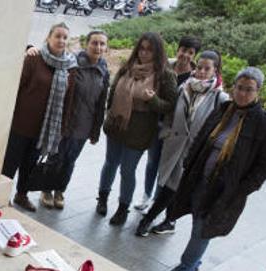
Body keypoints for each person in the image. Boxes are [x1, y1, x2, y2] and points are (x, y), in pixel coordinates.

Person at [166, 67, 266, 271]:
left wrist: (242, 189)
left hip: (225, 190)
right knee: (198, 222)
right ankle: (195, 263)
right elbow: (202, 136)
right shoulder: (224, 110)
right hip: (200, 179)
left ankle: (184, 269)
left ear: (258, 92)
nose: (242, 94)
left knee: (202, 229)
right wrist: (189, 162)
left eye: (249, 90)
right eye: (239, 88)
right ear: (233, 87)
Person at [136, 51, 227, 237]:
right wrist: (166, 133)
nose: (201, 71)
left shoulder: (220, 98)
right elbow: (170, 114)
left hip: (193, 151)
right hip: (174, 145)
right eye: (199, 67)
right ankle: (169, 221)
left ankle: (148, 220)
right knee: (168, 185)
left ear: (215, 70)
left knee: (172, 187)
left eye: (207, 68)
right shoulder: (184, 87)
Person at [95, 32, 177, 226]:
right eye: (142, 48)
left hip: (139, 132)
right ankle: (102, 199)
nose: (144, 53)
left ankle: (123, 208)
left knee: (127, 170)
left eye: (150, 49)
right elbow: (113, 92)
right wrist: (110, 114)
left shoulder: (165, 74)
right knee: (110, 163)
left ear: (157, 52)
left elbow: (171, 105)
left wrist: (153, 100)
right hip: (117, 125)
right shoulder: (127, 68)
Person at [2, 23, 77, 212]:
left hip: (44, 130)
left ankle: (21, 195)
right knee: (10, 163)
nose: (61, 40)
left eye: (64, 37)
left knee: (30, 165)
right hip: (21, 124)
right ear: (48, 38)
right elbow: (17, 88)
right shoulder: (34, 59)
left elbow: (69, 100)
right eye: (57, 36)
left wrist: (63, 128)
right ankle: (2, 197)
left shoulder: (70, 67)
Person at [32, 30, 110, 210]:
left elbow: (101, 102)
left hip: (85, 125)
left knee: (70, 161)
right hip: (64, 121)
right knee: (55, 158)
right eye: (94, 43)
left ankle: (60, 190)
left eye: (102, 44)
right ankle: (46, 190)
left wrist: (95, 130)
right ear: (86, 44)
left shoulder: (103, 70)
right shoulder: (72, 63)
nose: (98, 47)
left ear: (106, 47)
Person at [134, 35, 202, 213]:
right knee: (152, 162)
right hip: (157, 125)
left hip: (176, 131)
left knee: (167, 168)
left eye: (190, 52)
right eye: (183, 50)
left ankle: (157, 201)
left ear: (194, 55)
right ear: (177, 49)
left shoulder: (195, 78)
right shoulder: (164, 67)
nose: (185, 55)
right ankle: (146, 196)